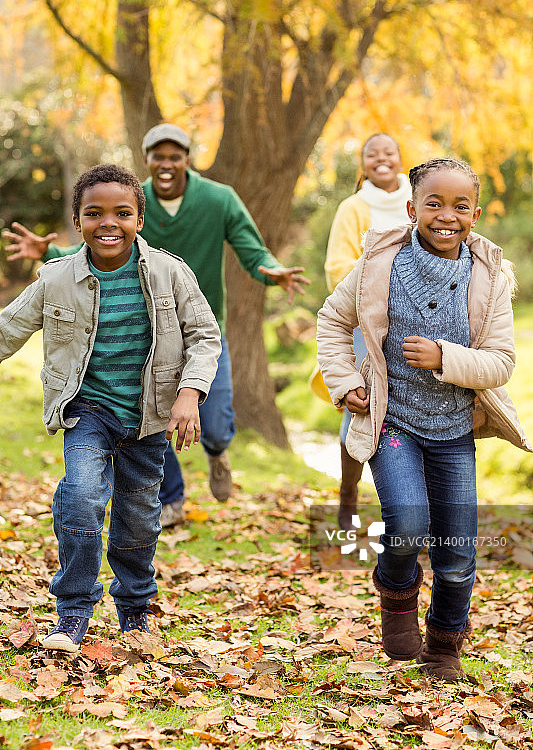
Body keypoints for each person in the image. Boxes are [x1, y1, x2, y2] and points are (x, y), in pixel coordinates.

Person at [2, 124, 309, 528]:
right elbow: (101, 245)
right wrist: (50, 252)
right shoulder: (124, 196)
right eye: (158, 156)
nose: (166, 164)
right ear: (146, 160)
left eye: (174, 156)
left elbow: (252, 250)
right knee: (154, 406)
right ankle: (172, 500)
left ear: (186, 160)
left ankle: (218, 452)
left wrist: (271, 270)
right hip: (151, 336)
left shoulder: (217, 199)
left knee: (215, 424)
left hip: (200, 327)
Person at [317, 157, 531, 680]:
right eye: (433, 204)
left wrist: (444, 357)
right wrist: (345, 382)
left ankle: (443, 643)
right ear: (412, 209)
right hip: (393, 422)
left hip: (454, 430)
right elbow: (333, 319)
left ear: (475, 214)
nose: (446, 215)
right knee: (408, 524)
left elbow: (501, 362)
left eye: (460, 206)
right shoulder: (380, 264)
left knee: (456, 554)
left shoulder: (489, 277)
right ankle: (396, 597)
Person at [0, 164, 221, 651]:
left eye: (122, 213)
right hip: (88, 410)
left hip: (148, 414)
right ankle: (73, 612)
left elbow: (205, 335)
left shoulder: (169, 272)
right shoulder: (56, 279)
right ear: (77, 221)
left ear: (139, 219)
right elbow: (7, 329)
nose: (108, 223)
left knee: (138, 519)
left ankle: (135, 610)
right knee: (82, 496)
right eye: (93, 212)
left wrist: (190, 393)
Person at [320, 134, 411, 530]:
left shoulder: (420, 198)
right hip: (368, 320)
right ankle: (348, 494)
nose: (381, 159)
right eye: (372, 155)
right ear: (364, 164)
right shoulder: (354, 207)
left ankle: (414, 505)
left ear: (400, 158)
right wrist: (382, 292)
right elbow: (338, 267)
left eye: (388, 153)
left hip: (418, 321)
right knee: (362, 402)